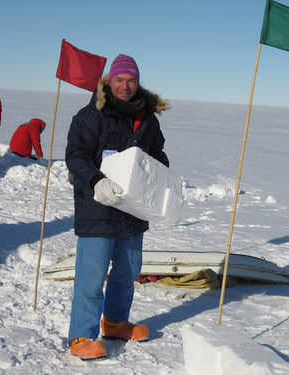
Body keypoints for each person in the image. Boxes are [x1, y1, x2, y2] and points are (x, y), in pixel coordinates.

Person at [65, 54, 169, 360]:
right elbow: (76, 155)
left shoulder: (147, 117)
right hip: (99, 207)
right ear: (110, 81)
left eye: (131, 80)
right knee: (92, 276)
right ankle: (82, 335)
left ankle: (115, 323)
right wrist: (96, 180)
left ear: (138, 83)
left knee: (127, 272)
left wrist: (156, 171)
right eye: (120, 80)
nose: (125, 86)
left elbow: (158, 152)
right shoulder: (92, 115)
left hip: (133, 210)